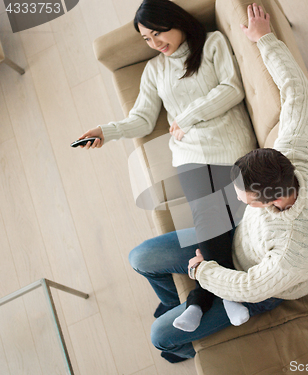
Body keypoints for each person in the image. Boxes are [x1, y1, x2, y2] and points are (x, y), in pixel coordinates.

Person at [128, 3, 308, 363]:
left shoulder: (293, 248)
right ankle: (175, 302)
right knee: (141, 257)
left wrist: (201, 270)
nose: (237, 197)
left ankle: (180, 350)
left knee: (160, 338)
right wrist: (264, 38)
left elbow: (249, 285)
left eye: (244, 197)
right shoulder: (295, 149)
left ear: (267, 202)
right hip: (240, 238)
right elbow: (296, 90)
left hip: (259, 283)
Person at [76, 0, 257, 332]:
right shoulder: (154, 70)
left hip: (230, 146)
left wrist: (187, 115)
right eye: (146, 39)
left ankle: (203, 299)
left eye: (158, 33)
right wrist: (106, 131)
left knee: (214, 219)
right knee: (208, 216)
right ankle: (224, 294)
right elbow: (142, 120)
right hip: (188, 155)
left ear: (176, 22)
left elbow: (232, 89)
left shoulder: (212, 43)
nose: (155, 43)